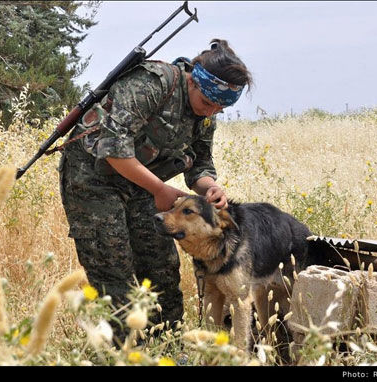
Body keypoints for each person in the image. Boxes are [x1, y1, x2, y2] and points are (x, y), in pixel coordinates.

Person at [59, 38, 253, 341]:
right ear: (193, 82)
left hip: (146, 185)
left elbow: (199, 165)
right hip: (93, 178)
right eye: (207, 103)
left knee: (161, 270)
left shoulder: (206, 114)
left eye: (220, 108)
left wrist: (210, 186)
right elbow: (113, 149)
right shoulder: (152, 85)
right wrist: (160, 190)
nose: (211, 112)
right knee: (114, 273)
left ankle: (168, 350)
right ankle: (120, 355)